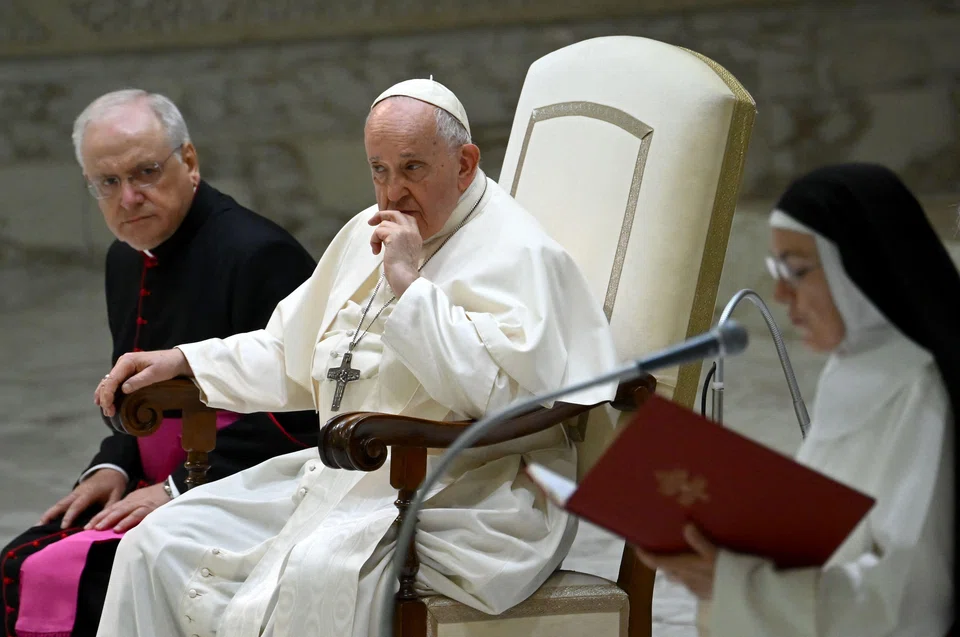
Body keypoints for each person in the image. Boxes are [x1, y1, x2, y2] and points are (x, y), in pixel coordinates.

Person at [91, 78, 620, 637]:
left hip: (465, 494)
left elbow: (502, 398)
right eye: (379, 170)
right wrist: (184, 362)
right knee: (155, 541)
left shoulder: (518, 252)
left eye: (412, 168)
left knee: (315, 574)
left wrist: (409, 287)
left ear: (464, 164)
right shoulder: (364, 233)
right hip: (344, 477)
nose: (391, 193)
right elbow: (287, 350)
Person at [1, 89, 320, 637]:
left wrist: (177, 486)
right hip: (158, 481)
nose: (129, 197)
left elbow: (301, 413)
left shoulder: (258, 254)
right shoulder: (125, 258)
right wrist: (113, 466)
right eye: (108, 182)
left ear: (189, 162)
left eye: (146, 172)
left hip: (243, 491)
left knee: (74, 575)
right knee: (19, 561)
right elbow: (137, 397)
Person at [636, 163, 957, 636]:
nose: (781, 295)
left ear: (860, 268)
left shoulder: (923, 390)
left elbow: (913, 603)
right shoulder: (853, 368)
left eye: (798, 270)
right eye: (775, 270)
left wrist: (739, 585)